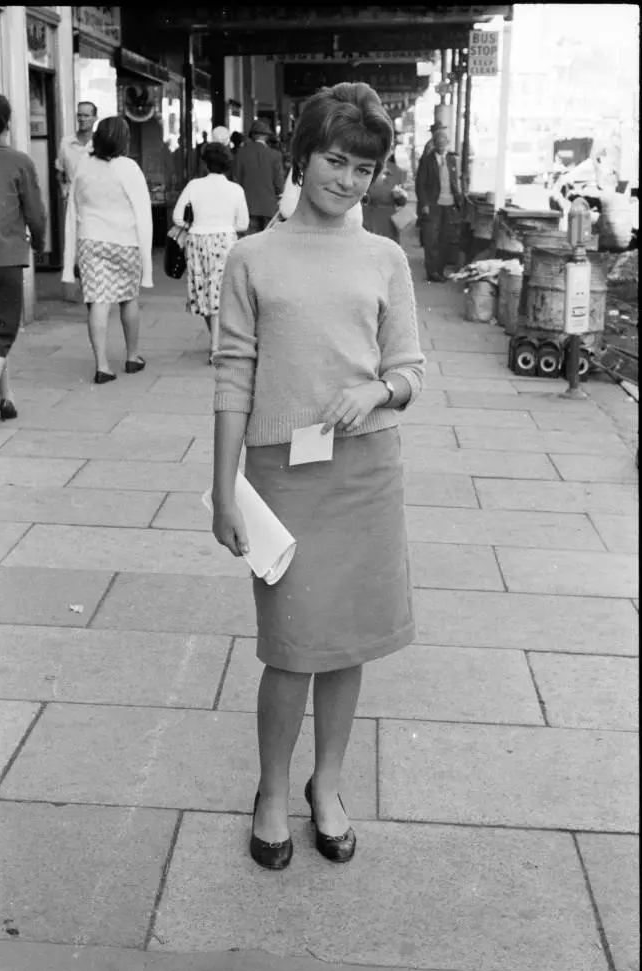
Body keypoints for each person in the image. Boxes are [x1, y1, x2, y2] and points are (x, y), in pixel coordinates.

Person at [211, 81, 425, 871]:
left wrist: (377, 389)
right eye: (335, 160)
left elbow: (408, 367)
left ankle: (325, 786)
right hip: (282, 474)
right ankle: (271, 790)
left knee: (348, 646)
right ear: (301, 155)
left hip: (366, 468)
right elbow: (233, 375)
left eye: (363, 169)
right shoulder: (251, 257)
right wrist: (222, 487)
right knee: (291, 645)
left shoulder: (383, 258)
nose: (346, 180)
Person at [62, 116, 153, 383]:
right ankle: (132, 356)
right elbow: (143, 214)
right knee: (128, 298)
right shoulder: (129, 168)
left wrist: (70, 262)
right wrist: (147, 267)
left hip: (90, 239)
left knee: (98, 302)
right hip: (125, 241)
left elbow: (73, 208)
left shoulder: (84, 166)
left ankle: (102, 365)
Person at [0, 94, 46, 443]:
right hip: (3, 259)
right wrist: (39, 243)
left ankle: (6, 397)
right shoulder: (20, 162)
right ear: (8, 123)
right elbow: (35, 213)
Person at [172, 142, 249, 362]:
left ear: (205, 163)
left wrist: (196, 224)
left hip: (197, 241)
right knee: (221, 292)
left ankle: (215, 343)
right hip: (225, 241)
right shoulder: (235, 189)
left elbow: (178, 217)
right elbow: (242, 223)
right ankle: (216, 343)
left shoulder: (194, 186)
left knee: (204, 291)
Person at [415, 126, 462, 281]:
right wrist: (424, 204)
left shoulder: (451, 159)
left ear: (447, 143)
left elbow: (455, 182)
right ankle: (432, 272)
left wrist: (459, 201)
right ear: (434, 143)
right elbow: (420, 184)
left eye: (444, 142)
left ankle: (440, 271)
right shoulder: (427, 161)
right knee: (431, 239)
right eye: (438, 142)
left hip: (449, 205)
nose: (441, 144)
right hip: (433, 205)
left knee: (445, 240)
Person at [231, 119, 285, 233]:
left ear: (252, 135)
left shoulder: (240, 153)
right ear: (267, 136)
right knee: (268, 243)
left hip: (247, 206)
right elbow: (279, 183)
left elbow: (235, 179)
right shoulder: (275, 155)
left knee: (250, 243)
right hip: (269, 207)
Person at [361, 149, 408, 244]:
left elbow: (402, 202)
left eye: (389, 148)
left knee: (389, 248)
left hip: (389, 219)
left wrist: (399, 197)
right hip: (369, 217)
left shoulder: (398, 172)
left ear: (392, 152)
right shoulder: (366, 168)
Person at [55, 101, 97, 200]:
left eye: (86, 116)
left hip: (96, 200)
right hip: (72, 200)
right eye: (79, 115)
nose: (82, 119)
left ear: (95, 118)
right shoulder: (66, 143)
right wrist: (64, 191)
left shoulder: (101, 143)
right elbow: (60, 172)